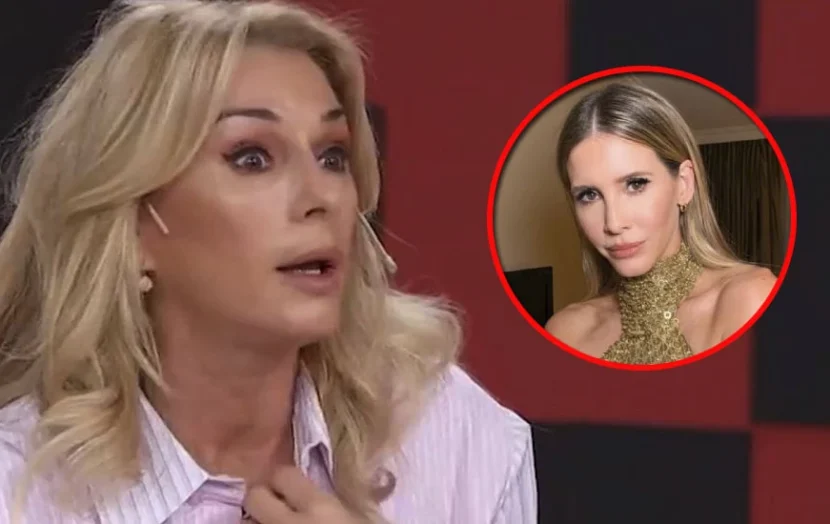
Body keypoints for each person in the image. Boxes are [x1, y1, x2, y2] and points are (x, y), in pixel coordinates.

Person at [0, 1, 537, 522]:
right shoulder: (21, 491)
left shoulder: (453, 438)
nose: (320, 197)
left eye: (332, 156)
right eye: (252, 158)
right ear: (135, 223)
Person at [545, 81, 778, 365]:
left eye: (635, 184)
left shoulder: (748, 301)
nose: (613, 223)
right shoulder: (566, 333)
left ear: (684, 184)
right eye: (589, 195)